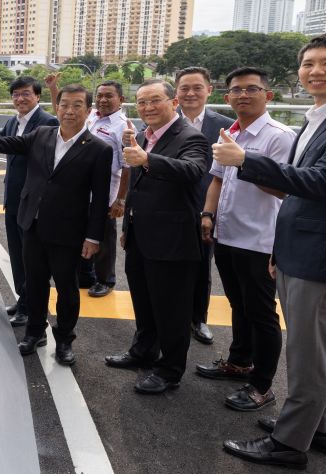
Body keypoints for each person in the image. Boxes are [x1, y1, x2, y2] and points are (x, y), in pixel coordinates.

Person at [215, 33, 326, 469]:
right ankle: (322, 429)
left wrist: (244, 161)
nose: (315, 71)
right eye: (309, 63)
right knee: (320, 347)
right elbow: (293, 188)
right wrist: (279, 246)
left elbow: (324, 182)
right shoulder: (315, 119)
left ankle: (290, 443)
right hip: (297, 246)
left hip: (322, 252)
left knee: (307, 352)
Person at [0, 84, 111, 365]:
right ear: (57, 107)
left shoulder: (99, 149)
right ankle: (35, 332)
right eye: (64, 104)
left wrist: (93, 237)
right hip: (33, 225)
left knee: (66, 288)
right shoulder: (42, 134)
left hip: (68, 230)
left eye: (77, 105)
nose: (69, 111)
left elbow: (100, 198)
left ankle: (64, 340)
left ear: (89, 111)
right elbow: (8, 144)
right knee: (35, 283)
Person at [195, 68, 296, 413]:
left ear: (268, 95)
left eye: (251, 89)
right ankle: (240, 362)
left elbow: (283, 187)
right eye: (236, 89)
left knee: (262, 314)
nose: (242, 95)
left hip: (259, 240)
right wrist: (207, 215)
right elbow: (217, 180)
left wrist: (244, 162)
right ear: (227, 97)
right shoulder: (230, 132)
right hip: (227, 234)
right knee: (239, 305)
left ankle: (262, 385)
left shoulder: (279, 136)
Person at [104, 79, 211, 394]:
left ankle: (170, 370)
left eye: (155, 101)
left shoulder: (192, 137)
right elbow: (137, 189)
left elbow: (193, 171)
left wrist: (148, 159)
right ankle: (143, 351)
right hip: (141, 235)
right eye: (142, 103)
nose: (148, 108)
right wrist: (128, 229)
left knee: (172, 309)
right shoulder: (140, 137)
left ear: (173, 102)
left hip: (173, 239)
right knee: (144, 300)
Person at [175, 66, 234, 345]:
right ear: (176, 93)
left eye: (197, 87)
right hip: (167, 208)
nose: (190, 93)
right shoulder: (159, 120)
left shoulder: (224, 125)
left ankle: (198, 319)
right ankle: (167, 317)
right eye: (184, 88)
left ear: (209, 90)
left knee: (201, 266)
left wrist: (210, 210)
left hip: (204, 208)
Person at [0, 76, 58, 328]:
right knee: (17, 256)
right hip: (12, 199)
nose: (20, 99)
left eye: (25, 94)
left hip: (33, 202)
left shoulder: (47, 122)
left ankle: (32, 309)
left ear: (37, 97)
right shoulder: (13, 122)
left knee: (32, 259)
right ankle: (23, 301)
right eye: (16, 95)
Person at [80, 81, 130, 298]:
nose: (103, 100)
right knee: (85, 232)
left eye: (109, 96)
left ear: (121, 99)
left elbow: (128, 166)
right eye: (99, 95)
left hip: (107, 191)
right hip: (83, 189)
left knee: (104, 237)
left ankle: (105, 280)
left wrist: (120, 200)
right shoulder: (91, 116)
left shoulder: (123, 126)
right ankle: (86, 275)